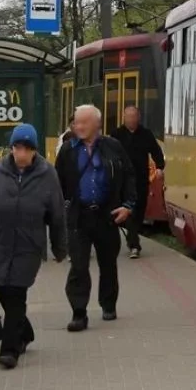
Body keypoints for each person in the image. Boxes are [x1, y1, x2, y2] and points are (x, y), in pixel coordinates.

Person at [0, 123, 67, 368]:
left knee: (16, 294)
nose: (22, 153)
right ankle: (24, 332)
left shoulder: (47, 174)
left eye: (27, 148)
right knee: (2, 290)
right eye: (18, 147)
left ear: (35, 150)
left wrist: (59, 247)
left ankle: (9, 350)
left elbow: (57, 214)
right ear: (11, 148)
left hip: (28, 245)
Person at [55, 104, 136, 332]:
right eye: (76, 122)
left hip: (107, 214)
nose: (78, 126)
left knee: (108, 264)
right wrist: (60, 210)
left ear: (96, 124)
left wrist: (127, 206)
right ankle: (79, 313)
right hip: (79, 216)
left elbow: (129, 175)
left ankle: (108, 304)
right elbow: (57, 182)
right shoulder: (68, 150)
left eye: (83, 122)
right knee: (79, 266)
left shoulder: (113, 146)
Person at [109, 105, 165, 259]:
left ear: (138, 117)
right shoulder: (116, 134)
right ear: (124, 117)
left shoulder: (146, 134)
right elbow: (108, 155)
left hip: (140, 179)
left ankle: (132, 238)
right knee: (128, 211)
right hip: (122, 181)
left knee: (139, 210)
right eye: (129, 116)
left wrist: (160, 167)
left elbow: (156, 151)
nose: (131, 119)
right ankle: (134, 244)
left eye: (134, 116)